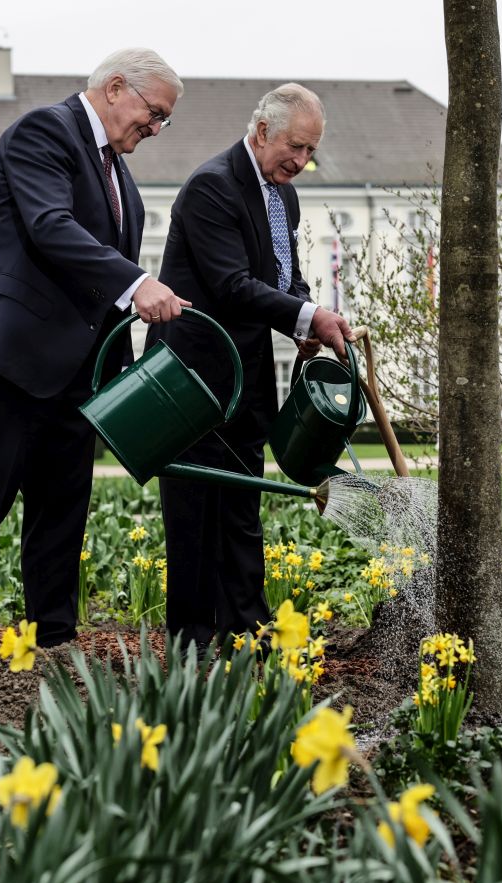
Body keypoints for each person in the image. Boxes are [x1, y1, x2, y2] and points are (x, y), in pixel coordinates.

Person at [0, 48, 189, 664]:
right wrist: (136, 282)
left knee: (63, 511)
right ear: (116, 87)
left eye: (162, 123)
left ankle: (55, 644)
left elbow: (98, 293)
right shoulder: (44, 132)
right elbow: (49, 226)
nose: (153, 130)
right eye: (153, 115)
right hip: (5, 360)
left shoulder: (120, 176)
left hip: (75, 376)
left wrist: (124, 375)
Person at [145, 83, 351, 651]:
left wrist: (306, 319)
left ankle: (248, 627)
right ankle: (193, 643)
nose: (302, 161)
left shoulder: (284, 194)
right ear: (262, 131)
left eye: (311, 151)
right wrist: (309, 317)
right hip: (190, 378)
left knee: (241, 507)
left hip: (245, 378)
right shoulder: (212, 188)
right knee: (193, 512)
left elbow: (285, 278)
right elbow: (233, 287)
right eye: (296, 147)